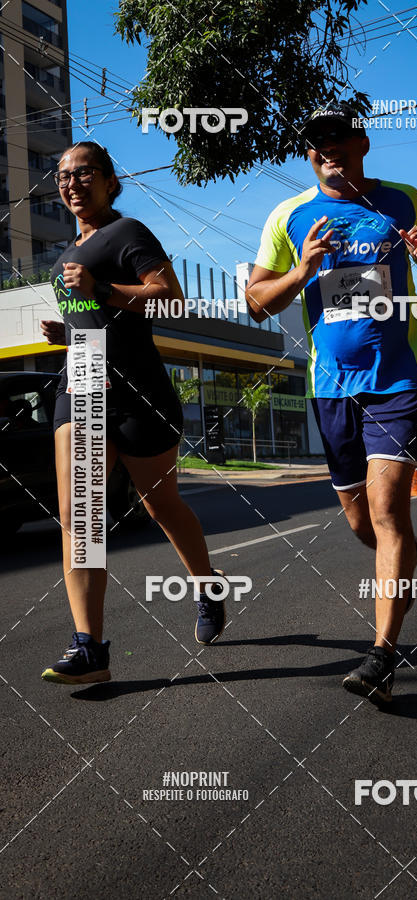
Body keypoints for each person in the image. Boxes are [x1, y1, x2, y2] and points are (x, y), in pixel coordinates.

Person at [246, 103, 417, 704]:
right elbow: (257, 300)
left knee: (388, 510)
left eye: (338, 136)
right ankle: (403, 560)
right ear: (307, 152)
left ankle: (382, 657)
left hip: (397, 381)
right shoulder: (289, 216)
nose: (327, 147)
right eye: (316, 141)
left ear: (361, 142)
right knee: (363, 523)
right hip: (331, 387)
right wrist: (303, 271)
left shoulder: (404, 199)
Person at [40, 142, 226, 685]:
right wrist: (67, 337)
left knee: (161, 503)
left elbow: (169, 298)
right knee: (82, 517)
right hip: (82, 388)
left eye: (83, 173)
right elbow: (94, 322)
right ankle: (90, 649)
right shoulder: (63, 256)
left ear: (109, 181)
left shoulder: (129, 234)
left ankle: (207, 585)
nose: (71, 184)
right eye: (62, 176)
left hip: (141, 393)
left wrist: (100, 288)